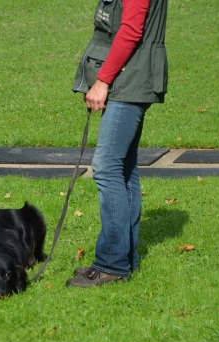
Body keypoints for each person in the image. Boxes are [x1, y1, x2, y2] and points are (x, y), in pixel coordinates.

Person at [67, 0, 168, 287]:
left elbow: (131, 30)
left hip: (129, 79)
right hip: (133, 76)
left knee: (107, 167)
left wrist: (103, 80)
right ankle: (124, 259)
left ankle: (111, 264)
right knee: (124, 168)